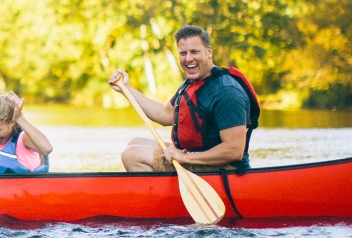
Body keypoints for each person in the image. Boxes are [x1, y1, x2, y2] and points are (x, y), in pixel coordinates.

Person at [108, 25, 260, 173]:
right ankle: (164, 193)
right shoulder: (192, 83)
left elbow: (234, 151)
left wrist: (185, 157)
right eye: (183, 53)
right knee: (135, 143)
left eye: (195, 52)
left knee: (132, 155)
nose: (188, 58)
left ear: (209, 52)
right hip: (197, 159)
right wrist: (126, 88)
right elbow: (163, 113)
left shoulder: (227, 92)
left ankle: (159, 197)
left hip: (224, 169)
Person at [0, 91, 54, 174]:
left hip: (26, 189)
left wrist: (19, 118)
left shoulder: (23, 138)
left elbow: (47, 149)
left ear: (12, 122)